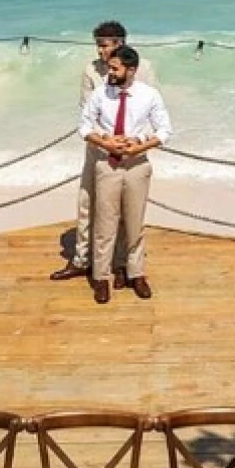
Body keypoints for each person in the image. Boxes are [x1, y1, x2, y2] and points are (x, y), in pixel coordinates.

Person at [51, 21, 159, 282]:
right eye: (97, 45)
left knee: (125, 207)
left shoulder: (143, 68)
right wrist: (106, 141)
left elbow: (150, 107)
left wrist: (135, 141)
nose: (99, 51)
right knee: (87, 202)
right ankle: (82, 259)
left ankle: (121, 264)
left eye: (104, 45)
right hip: (98, 146)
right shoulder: (91, 70)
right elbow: (88, 112)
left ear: (120, 44)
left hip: (131, 147)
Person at [77, 44, 171, 304]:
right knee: (104, 224)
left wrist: (140, 145)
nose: (110, 71)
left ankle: (136, 273)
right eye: (109, 66)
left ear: (131, 70)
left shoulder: (148, 95)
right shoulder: (100, 94)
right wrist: (104, 142)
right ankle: (102, 277)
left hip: (137, 164)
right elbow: (84, 126)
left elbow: (164, 130)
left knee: (134, 223)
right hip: (107, 163)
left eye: (115, 68)